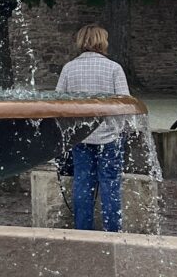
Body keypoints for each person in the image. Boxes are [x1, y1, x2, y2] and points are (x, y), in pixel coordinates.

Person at [55, 25, 132, 232]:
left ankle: (83, 231)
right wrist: (119, 128)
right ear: (102, 41)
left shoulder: (69, 68)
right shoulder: (114, 68)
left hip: (80, 136)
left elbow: (58, 103)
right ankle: (112, 231)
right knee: (110, 184)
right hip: (109, 136)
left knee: (82, 183)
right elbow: (125, 103)